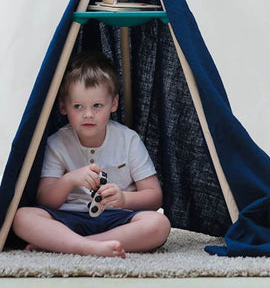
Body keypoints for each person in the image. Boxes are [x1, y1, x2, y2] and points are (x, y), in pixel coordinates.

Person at [12, 51, 171, 258]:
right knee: (22, 217)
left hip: (116, 220)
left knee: (159, 224)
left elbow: (154, 196)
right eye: (78, 106)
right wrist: (69, 180)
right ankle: (81, 245)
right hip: (68, 218)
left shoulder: (128, 140)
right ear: (63, 107)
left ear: (113, 104)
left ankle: (77, 245)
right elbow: (45, 200)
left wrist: (124, 199)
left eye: (97, 106)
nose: (88, 114)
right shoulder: (57, 142)